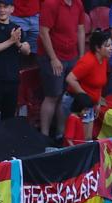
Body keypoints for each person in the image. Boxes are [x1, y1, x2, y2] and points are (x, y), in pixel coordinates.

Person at [37, 0, 85, 141]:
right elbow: (43, 32)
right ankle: (44, 135)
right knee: (52, 96)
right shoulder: (50, 4)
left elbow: (81, 29)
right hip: (52, 56)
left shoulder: (78, 4)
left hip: (71, 55)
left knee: (64, 96)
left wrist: (81, 57)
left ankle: (61, 133)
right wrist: (53, 58)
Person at [63, 28, 111, 135]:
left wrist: (97, 102)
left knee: (88, 139)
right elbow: (70, 78)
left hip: (89, 104)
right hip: (77, 104)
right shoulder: (88, 61)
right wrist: (85, 98)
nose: (111, 48)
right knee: (79, 138)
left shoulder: (103, 60)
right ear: (98, 48)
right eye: (107, 46)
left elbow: (99, 84)